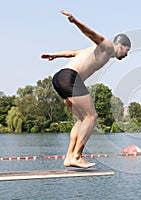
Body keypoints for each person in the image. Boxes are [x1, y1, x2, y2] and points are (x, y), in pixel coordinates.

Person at [41, 10, 131, 168]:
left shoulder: (96, 51)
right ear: (122, 46)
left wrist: (55, 55)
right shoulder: (109, 47)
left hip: (59, 78)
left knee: (81, 120)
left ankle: (69, 157)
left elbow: (73, 53)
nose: (126, 55)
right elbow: (92, 34)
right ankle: (77, 156)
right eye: (127, 51)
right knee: (92, 117)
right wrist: (75, 21)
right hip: (70, 78)